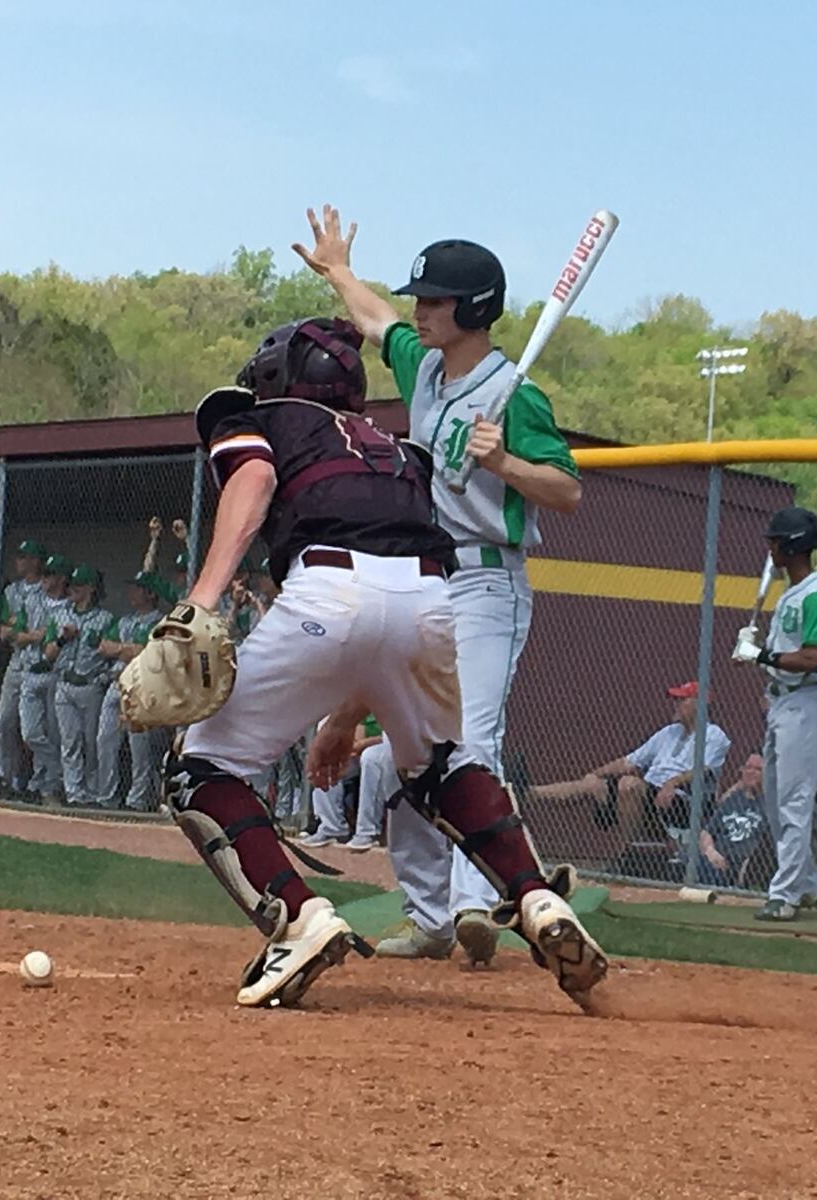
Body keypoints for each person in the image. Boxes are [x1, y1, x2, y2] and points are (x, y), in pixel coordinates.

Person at [141, 313, 605, 1009]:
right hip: (429, 598)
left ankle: (297, 919)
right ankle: (536, 897)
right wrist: (344, 715)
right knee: (442, 766)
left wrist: (203, 601)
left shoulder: (255, 415)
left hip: (325, 588)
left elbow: (253, 481)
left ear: (277, 376)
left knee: (199, 768)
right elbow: (382, 617)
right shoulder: (397, 448)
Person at [295, 205, 581, 966]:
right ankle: (430, 916)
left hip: (488, 583)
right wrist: (338, 272)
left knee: (471, 746)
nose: (420, 310)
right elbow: (374, 319)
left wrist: (506, 465)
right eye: (420, 298)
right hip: (425, 575)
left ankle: (474, 904)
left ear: (473, 309)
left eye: (435, 300)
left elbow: (565, 491)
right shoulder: (423, 368)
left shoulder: (514, 395)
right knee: (395, 758)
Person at [733, 506, 817, 920]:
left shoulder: (816, 594)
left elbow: (813, 657)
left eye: (775, 541)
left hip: (808, 702)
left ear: (793, 545)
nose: (770, 547)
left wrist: (761, 653)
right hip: (783, 701)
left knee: (794, 801)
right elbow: (784, 656)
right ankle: (807, 884)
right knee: (778, 801)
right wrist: (758, 657)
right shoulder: (793, 593)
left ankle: (785, 896)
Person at [528, 681, 733, 863]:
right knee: (593, 784)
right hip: (650, 792)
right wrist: (595, 773)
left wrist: (672, 783)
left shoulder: (715, 735)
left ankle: (631, 851)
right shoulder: (669, 732)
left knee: (629, 784)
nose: (676, 705)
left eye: (682, 700)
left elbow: (704, 769)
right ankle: (527, 793)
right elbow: (629, 761)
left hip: (682, 799)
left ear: (699, 704)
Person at [91, 571, 166, 810]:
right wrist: (126, 649)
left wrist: (122, 649)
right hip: (116, 685)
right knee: (105, 741)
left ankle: (138, 800)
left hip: (141, 688)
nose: (131, 592)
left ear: (150, 594)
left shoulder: (161, 622)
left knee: (139, 748)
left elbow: (147, 652)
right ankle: (106, 797)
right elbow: (104, 646)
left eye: (137, 588)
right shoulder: (124, 620)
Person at [48, 565, 117, 807]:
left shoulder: (106, 619)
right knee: (70, 741)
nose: (73, 590)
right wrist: (63, 638)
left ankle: (93, 792)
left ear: (90, 588)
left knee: (91, 742)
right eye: (72, 585)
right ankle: (74, 794)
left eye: (79, 585)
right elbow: (48, 653)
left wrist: (104, 677)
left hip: (90, 686)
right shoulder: (60, 615)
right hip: (65, 685)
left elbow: (114, 655)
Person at [0, 539, 48, 799]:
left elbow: (48, 632)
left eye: (25, 556)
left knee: (34, 731)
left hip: (40, 665)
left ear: (36, 561)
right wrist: (25, 632)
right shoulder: (11, 591)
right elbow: (2, 632)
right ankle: (6, 778)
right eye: (19, 556)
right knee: (4, 722)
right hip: (17, 663)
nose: (19, 560)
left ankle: (38, 783)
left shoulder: (48, 591)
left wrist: (23, 632)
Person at [14, 554, 74, 803]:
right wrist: (36, 636)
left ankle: (44, 788)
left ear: (61, 579)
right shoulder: (32, 601)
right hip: (29, 671)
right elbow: (15, 636)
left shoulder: (69, 607)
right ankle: (59, 772)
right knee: (30, 734)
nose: (44, 579)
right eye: (44, 574)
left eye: (50, 575)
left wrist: (41, 636)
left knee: (53, 735)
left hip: (54, 675)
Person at [301, 713, 386, 850]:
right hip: (362, 752)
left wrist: (365, 743)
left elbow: (396, 738)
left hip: (394, 750)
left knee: (371, 757)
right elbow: (358, 736)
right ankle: (332, 827)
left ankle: (368, 832)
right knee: (328, 757)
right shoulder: (363, 702)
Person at [697, 754, 768, 887]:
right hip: (719, 858)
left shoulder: (772, 805)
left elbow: (769, 845)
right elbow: (707, 832)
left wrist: (751, 862)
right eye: (747, 768)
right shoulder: (732, 799)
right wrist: (710, 851)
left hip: (746, 863)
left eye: (758, 769)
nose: (751, 772)